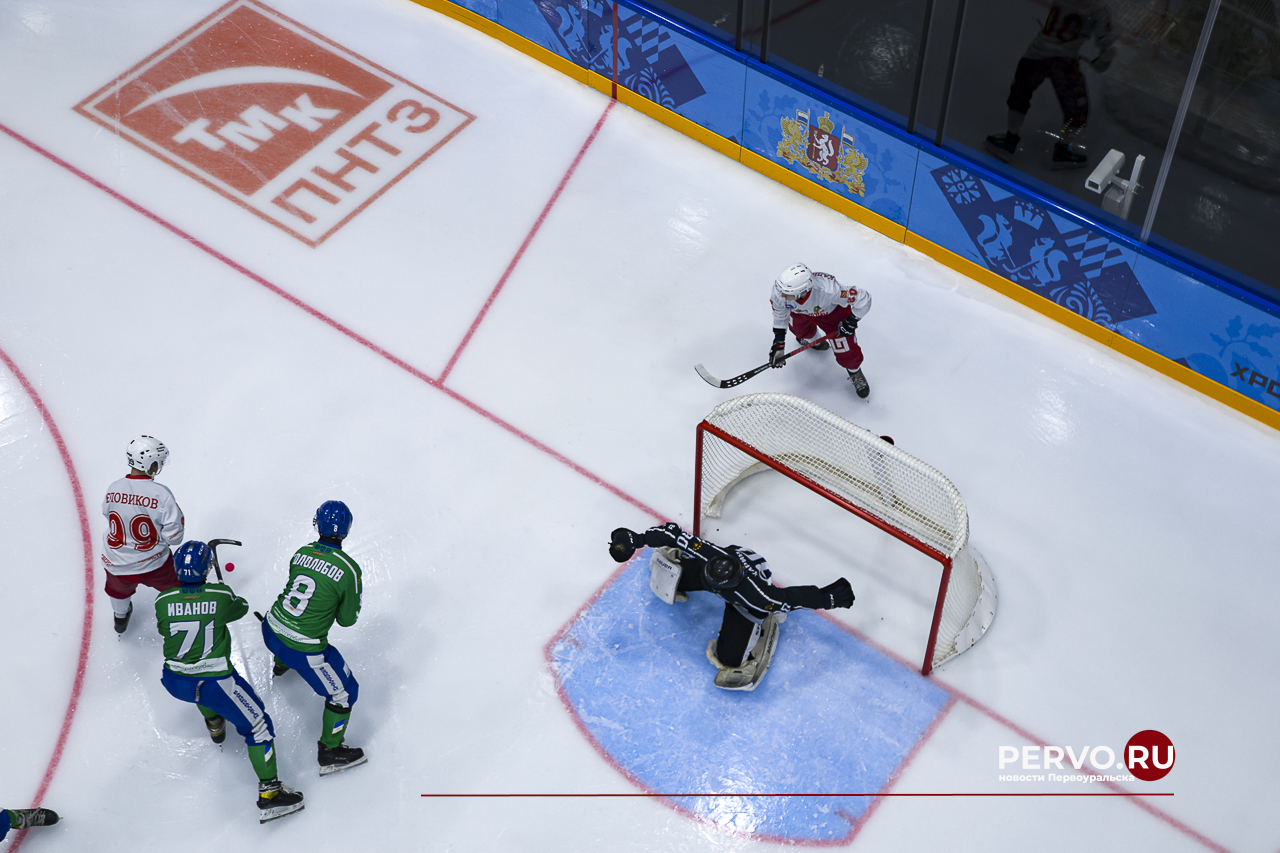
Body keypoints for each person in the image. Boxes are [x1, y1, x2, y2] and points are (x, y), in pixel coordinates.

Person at [157, 541, 305, 823]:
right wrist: (224, 594)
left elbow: (165, 626)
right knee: (259, 725)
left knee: (202, 695)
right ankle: (271, 795)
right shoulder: (219, 594)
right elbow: (241, 608)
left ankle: (214, 725)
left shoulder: (162, 600)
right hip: (213, 680)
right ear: (206, 569)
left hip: (175, 680)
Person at [608, 523, 856, 690]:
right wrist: (635, 539)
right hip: (726, 565)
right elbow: (671, 534)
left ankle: (760, 630)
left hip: (743, 601)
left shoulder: (757, 597)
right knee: (682, 573)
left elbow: (789, 599)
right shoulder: (710, 555)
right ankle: (694, 574)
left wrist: (829, 597)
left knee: (728, 658)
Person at [261, 500, 367, 776]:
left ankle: (280, 664)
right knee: (345, 693)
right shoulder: (349, 570)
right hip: (304, 649)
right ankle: (330, 751)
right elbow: (346, 620)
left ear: (317, 523)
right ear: (346, 531)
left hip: (270, 630)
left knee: (286, 632)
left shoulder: (300, 553)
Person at [984, 0, 1116, 169]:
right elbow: (1108, 42)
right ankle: (1063, 148)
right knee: (1077, 109)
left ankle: (1010, 138)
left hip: (1037, 53)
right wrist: (1104, 57)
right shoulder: (1099, 7)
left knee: (1020, 94)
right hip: (1063, 61)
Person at [101, 435, 184, 634]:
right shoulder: (161, 494)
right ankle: (180, 617)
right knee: (173, 588)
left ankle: (120, 618)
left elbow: (107, 514)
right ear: (151, 464)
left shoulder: (114, 488)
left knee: (118, 590)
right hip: (153, 563)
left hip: (116, 562)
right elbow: (175, 537)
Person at [769, 263, 873, 399]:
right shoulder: (781, 291)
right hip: (799, 312)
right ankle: (814, 342)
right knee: (799, 330)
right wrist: (779, 343)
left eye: (787, 294)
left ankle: (854, 371)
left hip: (831, 313)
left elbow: (864, 298)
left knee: (846, 351)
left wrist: (852, 321)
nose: (781, 295)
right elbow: (780, 314)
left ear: (803, 291)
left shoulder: (830, 290)